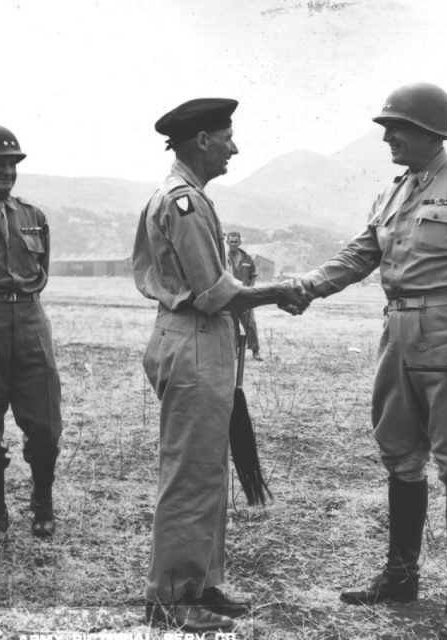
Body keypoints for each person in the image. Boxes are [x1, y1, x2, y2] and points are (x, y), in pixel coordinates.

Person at [298, 83, 447, 639]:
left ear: (427, 132)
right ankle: (400, 577)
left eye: (395, 128)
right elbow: (358, 255)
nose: (387, 137)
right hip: (397, 332)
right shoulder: (392, 195)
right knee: (399, 454)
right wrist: (306, 286)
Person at [133, 98, 309, 632]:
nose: (235, 146)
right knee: (190, 476)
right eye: (228, 136)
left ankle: (202, 584)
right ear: (202, 140)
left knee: (207, 470)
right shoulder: (183, 202)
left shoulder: (192, 198)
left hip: (202, 343)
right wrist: (275, 291)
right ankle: (173, 597)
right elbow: (212, 291)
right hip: (193, 341)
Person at [0, 124, 62, 546]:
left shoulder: (34, 217)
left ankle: (42, 504)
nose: (7, 171)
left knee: (46, 428)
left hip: (30, 325)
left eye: (12, 163)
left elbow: (40, 275)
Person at [227, 231, 263, 360]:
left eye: (236, 242)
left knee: (250, 324)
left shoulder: (248, 258)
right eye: (231, 242)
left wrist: (250, 290)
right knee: (232, 325)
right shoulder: (224, 258)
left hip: (245, 297)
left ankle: (255, 351)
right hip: (230, 297)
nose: (233, 245)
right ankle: (235, 351)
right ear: (227, 242)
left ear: (240, 242)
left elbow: (253, 276)